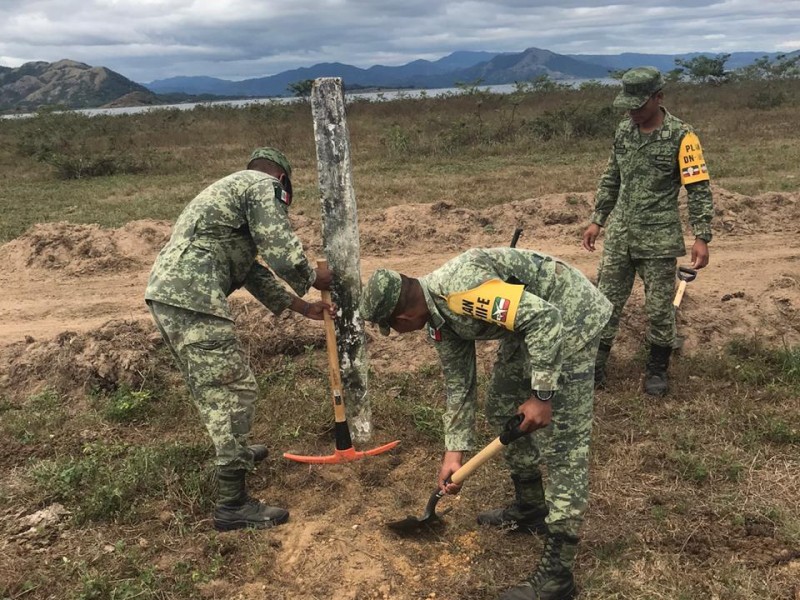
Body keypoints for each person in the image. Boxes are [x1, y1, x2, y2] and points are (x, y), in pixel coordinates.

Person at [360, 248, 612, 600]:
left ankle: (558, 573)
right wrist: (454, 452)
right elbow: (459, 385)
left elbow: (546, 319)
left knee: (564, 445)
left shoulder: (460, 292)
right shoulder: (438, 318)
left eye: (392, 327)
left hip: (569, 317)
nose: (397, 332)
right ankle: (531, 506)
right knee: (501, 405)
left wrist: (541, 396)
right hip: (529, 326)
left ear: (403, 317)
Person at [145, 147, 334, 531]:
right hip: (193, 299)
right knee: (232, 390)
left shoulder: (232, 194)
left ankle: (238, 452)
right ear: (283, 180)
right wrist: (314, 278)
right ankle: (233, 505)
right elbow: (280, 249)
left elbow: (250, 270)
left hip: (173, 295)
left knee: (216, 384)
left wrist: (301, 307)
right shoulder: (263, 186)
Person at [583, 66, 714, 396]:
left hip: (658, 239)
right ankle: (595, 367)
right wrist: (598, 219)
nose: (632, 112)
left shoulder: (683, 137)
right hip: (621, 237)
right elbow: (611, 177)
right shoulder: (624, 131)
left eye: (638, 105)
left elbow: (698, 189)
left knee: (658, 308)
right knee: (604, 303)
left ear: (658, 97)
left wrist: (701, 235)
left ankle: (657, 368)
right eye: (628, 105)